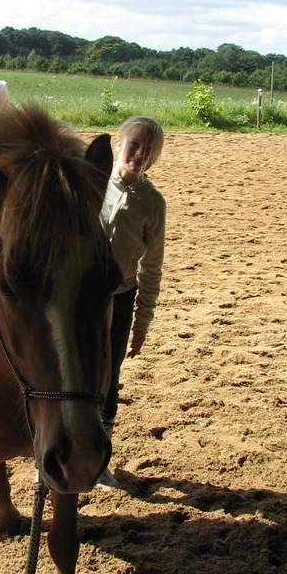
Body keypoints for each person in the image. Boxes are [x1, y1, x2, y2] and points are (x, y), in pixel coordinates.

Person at [97, 116, 166, 488]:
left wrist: (142, 322)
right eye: (134, 144)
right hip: (79, 298)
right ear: (119, 143)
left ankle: (101, 459)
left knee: (108, 380)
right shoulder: (92, 183)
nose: (139, 155)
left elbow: (151, 267)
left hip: (120, 301)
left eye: (148, 150)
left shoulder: (153, 203)